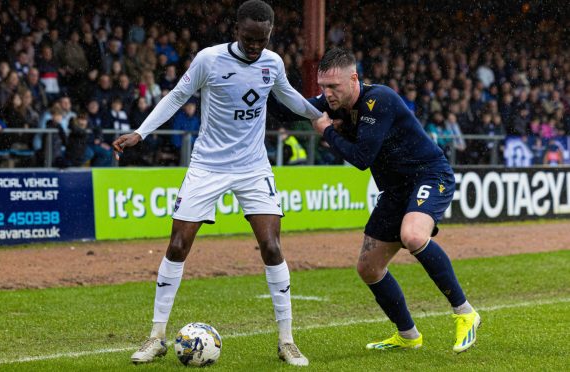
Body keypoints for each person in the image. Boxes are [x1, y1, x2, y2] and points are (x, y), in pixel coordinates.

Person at [113, 0, 321, 366]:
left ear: (270, 35)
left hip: (254, 167)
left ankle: (287, 340)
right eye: (250, 38)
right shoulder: (209, 60)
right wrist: (141, 132)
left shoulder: (273, 63)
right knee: (178, 245)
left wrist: (322, 116)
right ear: (236, 31)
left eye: (263, 39)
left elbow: (289, 97)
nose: (256, 46)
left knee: (272, 247)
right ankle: (156, 337)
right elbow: (178, 96)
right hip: (207, 165)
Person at [271, 47, 480, 353]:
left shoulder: (378, 101)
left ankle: (466, 313)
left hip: (428, 175)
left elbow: (361, 158)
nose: (327, 94)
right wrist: (257, 88)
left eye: (334, 87)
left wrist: (327, 130)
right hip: (395, 191)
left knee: (413, 235)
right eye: (323, 87)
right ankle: (408, 336)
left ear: (353, 79)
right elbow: (291, 109)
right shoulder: (334, 102)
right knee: (368, 268)